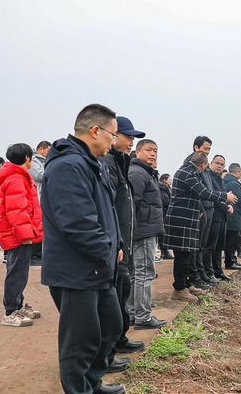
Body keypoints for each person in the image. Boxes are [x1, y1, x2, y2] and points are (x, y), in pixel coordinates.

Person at [41, 104, 126, 394]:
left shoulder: (92, 162)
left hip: (98, 267)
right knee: (80, 341)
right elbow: (78, 224)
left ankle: (93, 383)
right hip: (76, 270)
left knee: (110, 328)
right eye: (112, 135)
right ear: (95, 131)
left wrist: (117, 245)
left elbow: (106, 210)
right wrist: (105, 251)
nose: (113, 142)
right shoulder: (68, 166)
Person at [104, 116, 146, 368]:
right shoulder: (108, 163)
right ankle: (107, 349)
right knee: (115, 294)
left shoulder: (121, 162)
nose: (130, 142)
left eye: (132, 138)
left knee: (122, 292)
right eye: (127, 137)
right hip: (116, 243)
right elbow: (107, 205)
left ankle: (118, 338)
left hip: (125, 240)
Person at [164, 152, 233, 302]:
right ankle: (179, 288)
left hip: (187, 217)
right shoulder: (188, 174)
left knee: (188, 253)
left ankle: (186, 284)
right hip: (181, 218)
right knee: (182, 255)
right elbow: (204, 193)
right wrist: (224, 196)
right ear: (203, 165)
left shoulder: (189, 171)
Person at [0, 143, 44, 327]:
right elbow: (17, 211)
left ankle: (18, 305)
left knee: (19, 270)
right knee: (17, 272)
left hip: (15, 232)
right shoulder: (16, 178)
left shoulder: (17, 176)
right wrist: (25, 235)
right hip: (17, 234)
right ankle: (10, 312)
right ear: (26, 158)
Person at [128, 139, 167, 330]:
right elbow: (130, 205)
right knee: (144, 273)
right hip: (143, 230)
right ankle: (142, 316)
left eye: (155, 151)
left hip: (145, 228)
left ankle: (133, 313)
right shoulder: (137, 173)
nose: (153, 154)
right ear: (137, 152)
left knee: (137, 274)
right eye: (148, 150)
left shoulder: (146, 172)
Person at [185, 136, 217, 289]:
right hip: (200, 208)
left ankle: (201, 272)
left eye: (209, 148)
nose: (208, 151)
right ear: (196, 148)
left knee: (203, 244)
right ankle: (194, 275)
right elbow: (196, 191)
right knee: (196, 245)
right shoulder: (190, 165)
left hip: (208, 207)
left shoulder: (206, 167)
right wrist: (199, 209)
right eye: (205, 148)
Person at [207, 155, 240, 278]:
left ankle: (218, 271)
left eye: (222, 164)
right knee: (211, 246)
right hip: (212, 216)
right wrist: (226, 206)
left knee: (219, 246)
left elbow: (228, 195)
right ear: (211, 163)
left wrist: (230, 205)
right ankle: (209, 273)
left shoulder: (221, 179)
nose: (219, 166)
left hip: (222, 217)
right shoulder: (208, 177)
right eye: (217, 163)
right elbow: (214, 197)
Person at [28, 140, 51, 265]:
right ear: (40, 149)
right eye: (48, 150)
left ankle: (38, 254)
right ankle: (33, 255)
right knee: (35, 226)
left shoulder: (44, 161)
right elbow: (39, 175)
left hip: (42, 197)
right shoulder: (34, 161)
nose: (49, 153)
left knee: (40, 226)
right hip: (36, 197)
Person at [223, 163, 241, 269]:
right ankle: (230, 261)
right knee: (232, 239)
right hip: (234, 214)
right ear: (237, 172)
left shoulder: (224, 181)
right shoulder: (234, 183)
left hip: (228, 213)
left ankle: (232, 259)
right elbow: (240, 199)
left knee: (230, 238)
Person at [158, 173, 173, 260]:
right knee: (163, 234)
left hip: (163, 213)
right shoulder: (164, 188)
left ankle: (165, 251)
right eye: (169, 179)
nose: (171, 181)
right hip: (164, 213)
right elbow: (165, 201)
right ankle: (164, 252)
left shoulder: (165, 188)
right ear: (165, 180)